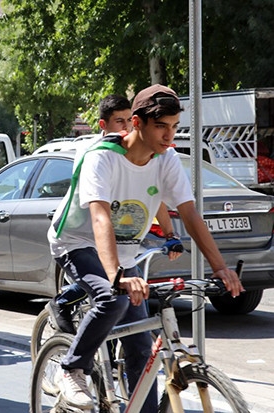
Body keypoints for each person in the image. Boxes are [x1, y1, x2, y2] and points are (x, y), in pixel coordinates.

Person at [47, 84, 244, 412]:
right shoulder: (102, 158)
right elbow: (100, 220)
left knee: (141, 348)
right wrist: (117, 276)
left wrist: (219, 267)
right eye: (161, 126)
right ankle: (72, 369)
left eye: (175, 127)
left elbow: (189, 213)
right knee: (112, 299)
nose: (169, 136)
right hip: (76, 242)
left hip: (122, 252)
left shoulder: (165, 161)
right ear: (136, 123)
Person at [45, 93, 179, 334]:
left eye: (129, 120)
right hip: (85, 237)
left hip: (118, 241)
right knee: (111, 292)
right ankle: (65, 306)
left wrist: (171, 234)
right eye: (120, 121)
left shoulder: (141, 153)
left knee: (133, 316)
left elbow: (153, 195)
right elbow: (99, 212)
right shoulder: (93, 153)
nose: (127, 127)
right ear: (103, 125)